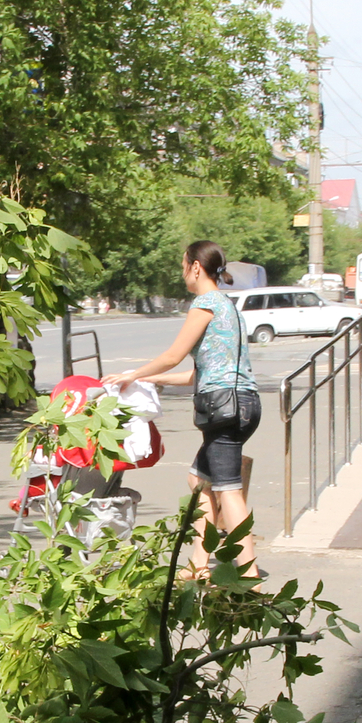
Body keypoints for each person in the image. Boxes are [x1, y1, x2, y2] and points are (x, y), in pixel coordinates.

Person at [101, 240, 260, 580]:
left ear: (196, 268)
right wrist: (153, 380)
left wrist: (132, 374)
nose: (182, 273)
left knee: (227, 490)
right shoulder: (228, 307)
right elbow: (197, 373)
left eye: (182, 265)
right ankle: (198, 564)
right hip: (241, 404)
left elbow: (174, 354)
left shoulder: (204, 304)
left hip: (224, 408)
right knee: (198, 481)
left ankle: (249, 577)